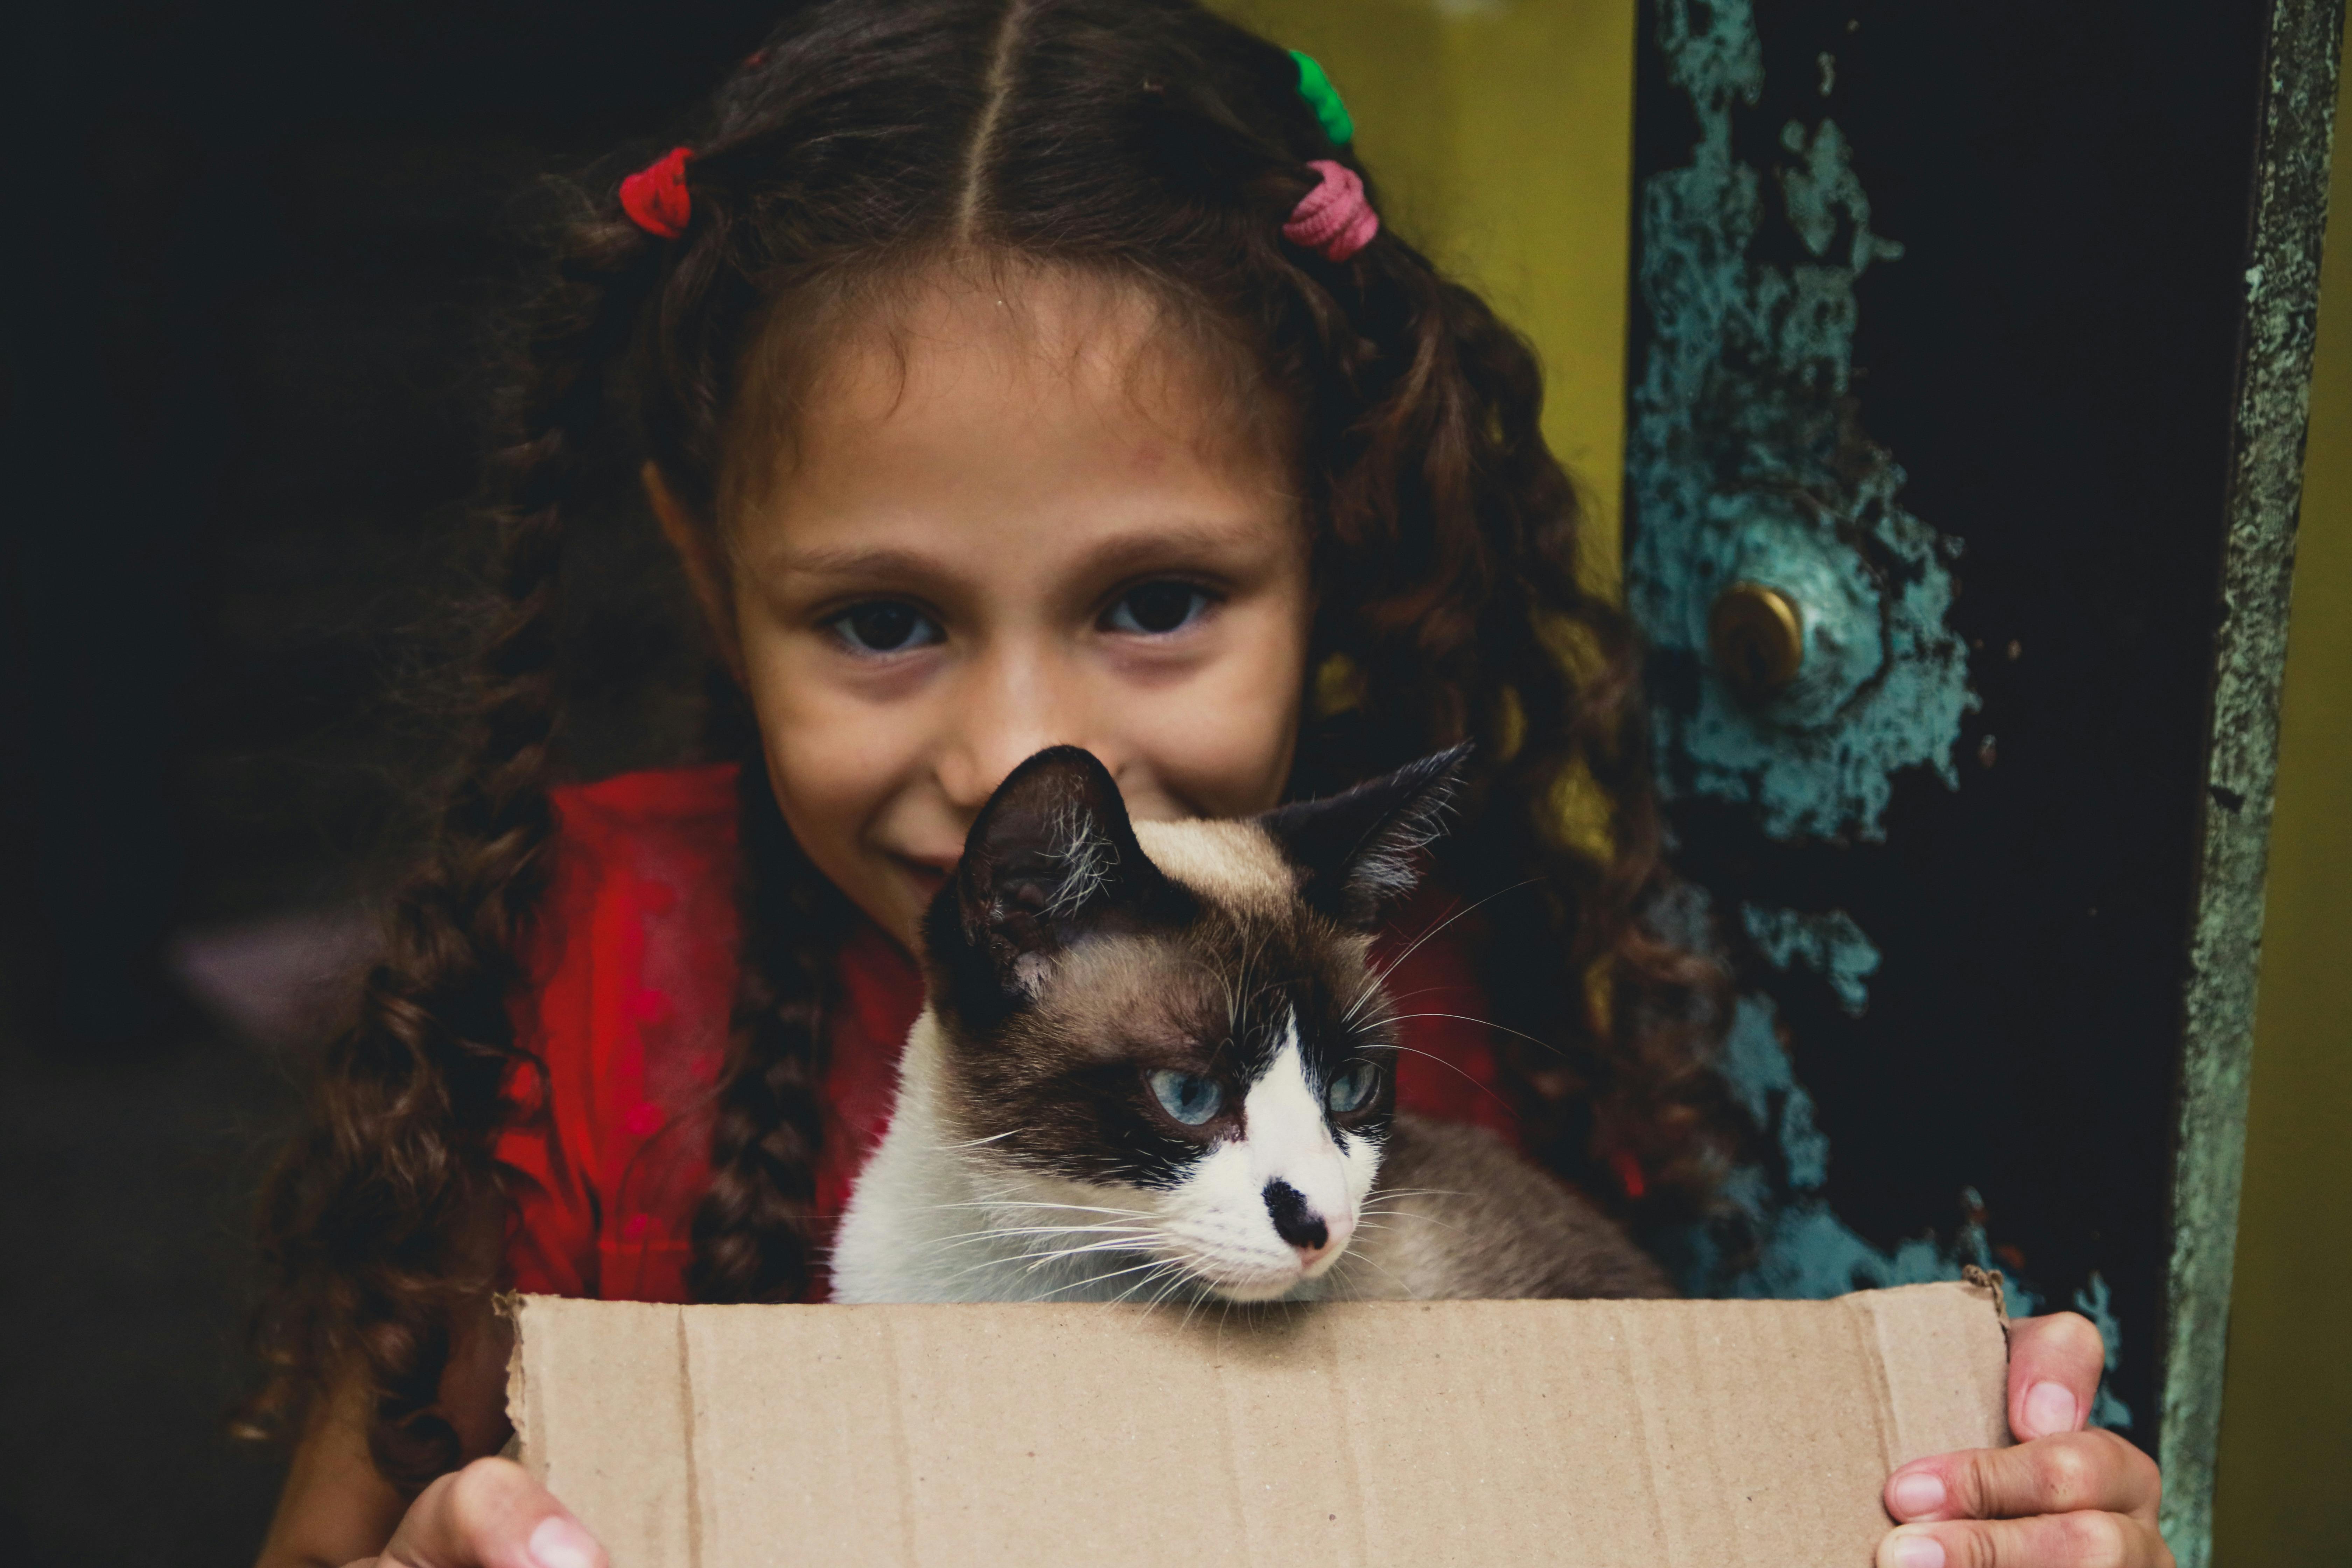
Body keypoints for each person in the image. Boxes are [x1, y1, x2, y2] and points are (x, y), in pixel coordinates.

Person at [244, 4, 2168, 1566]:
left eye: (1155, 602)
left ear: (1329, 553)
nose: (1013, 752)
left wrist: (1939, 1506)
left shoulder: (1396, 1005)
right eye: (882, 619)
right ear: (702, 574)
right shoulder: (566, 970)